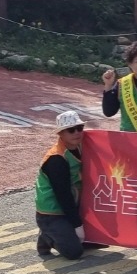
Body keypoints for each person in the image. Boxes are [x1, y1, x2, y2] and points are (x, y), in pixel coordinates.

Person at [35, 111, 87, 259]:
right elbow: (63, 196)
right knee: (74, 252)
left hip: (73, 206)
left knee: (94, 241)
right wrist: (77, 224)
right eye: (71, 130)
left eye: (80, 128)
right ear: (60, 134)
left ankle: (63, 233)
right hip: (52, 213)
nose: (77, 133)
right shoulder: (56, 160)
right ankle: (46, 236)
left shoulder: (79, 146)